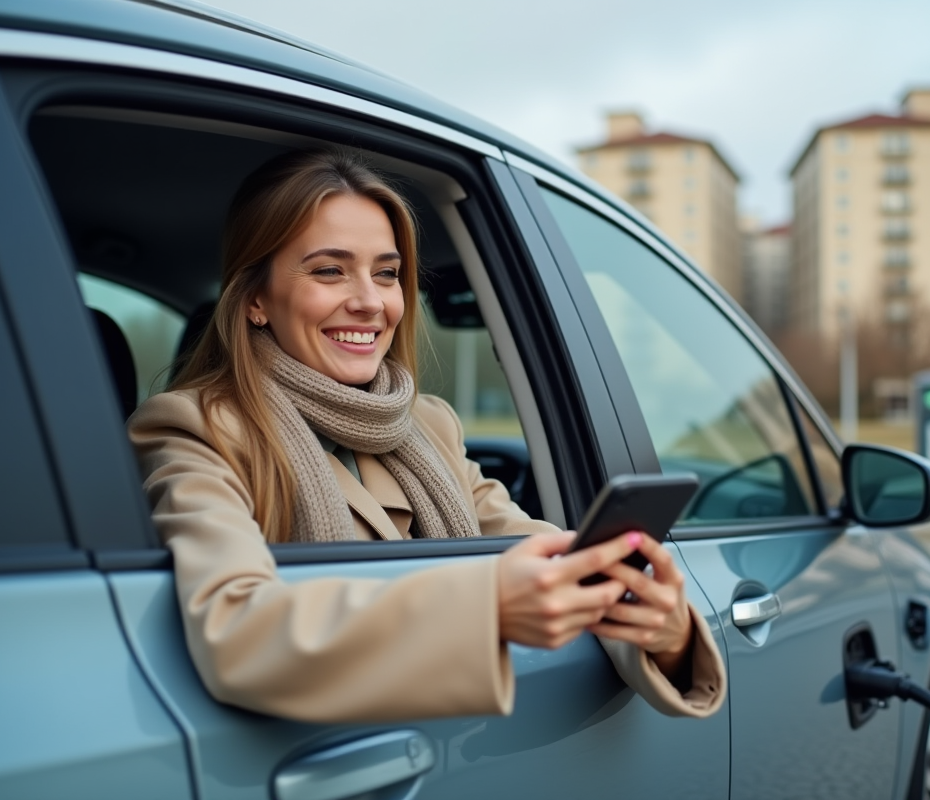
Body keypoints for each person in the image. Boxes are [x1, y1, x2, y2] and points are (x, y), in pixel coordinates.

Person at [127, 146, 725, 724]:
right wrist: (486, 606)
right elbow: (237, 633)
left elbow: (554, 564)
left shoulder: (430, 426)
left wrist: (663, 630)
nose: (369, 302)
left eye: (387, 274)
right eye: (330, 271)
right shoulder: (193, 429)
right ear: (256, 299)